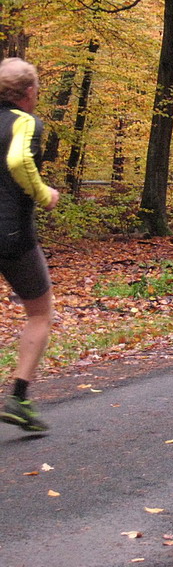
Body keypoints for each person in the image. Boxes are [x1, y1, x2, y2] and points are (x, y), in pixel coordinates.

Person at [0, 58, 60, 432]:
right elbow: (19, 159)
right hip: (11, 235)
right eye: (36, 89)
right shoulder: (26, 122)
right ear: (28, 92)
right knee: (39, 313)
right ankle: (19, 399)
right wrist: (43, 193)